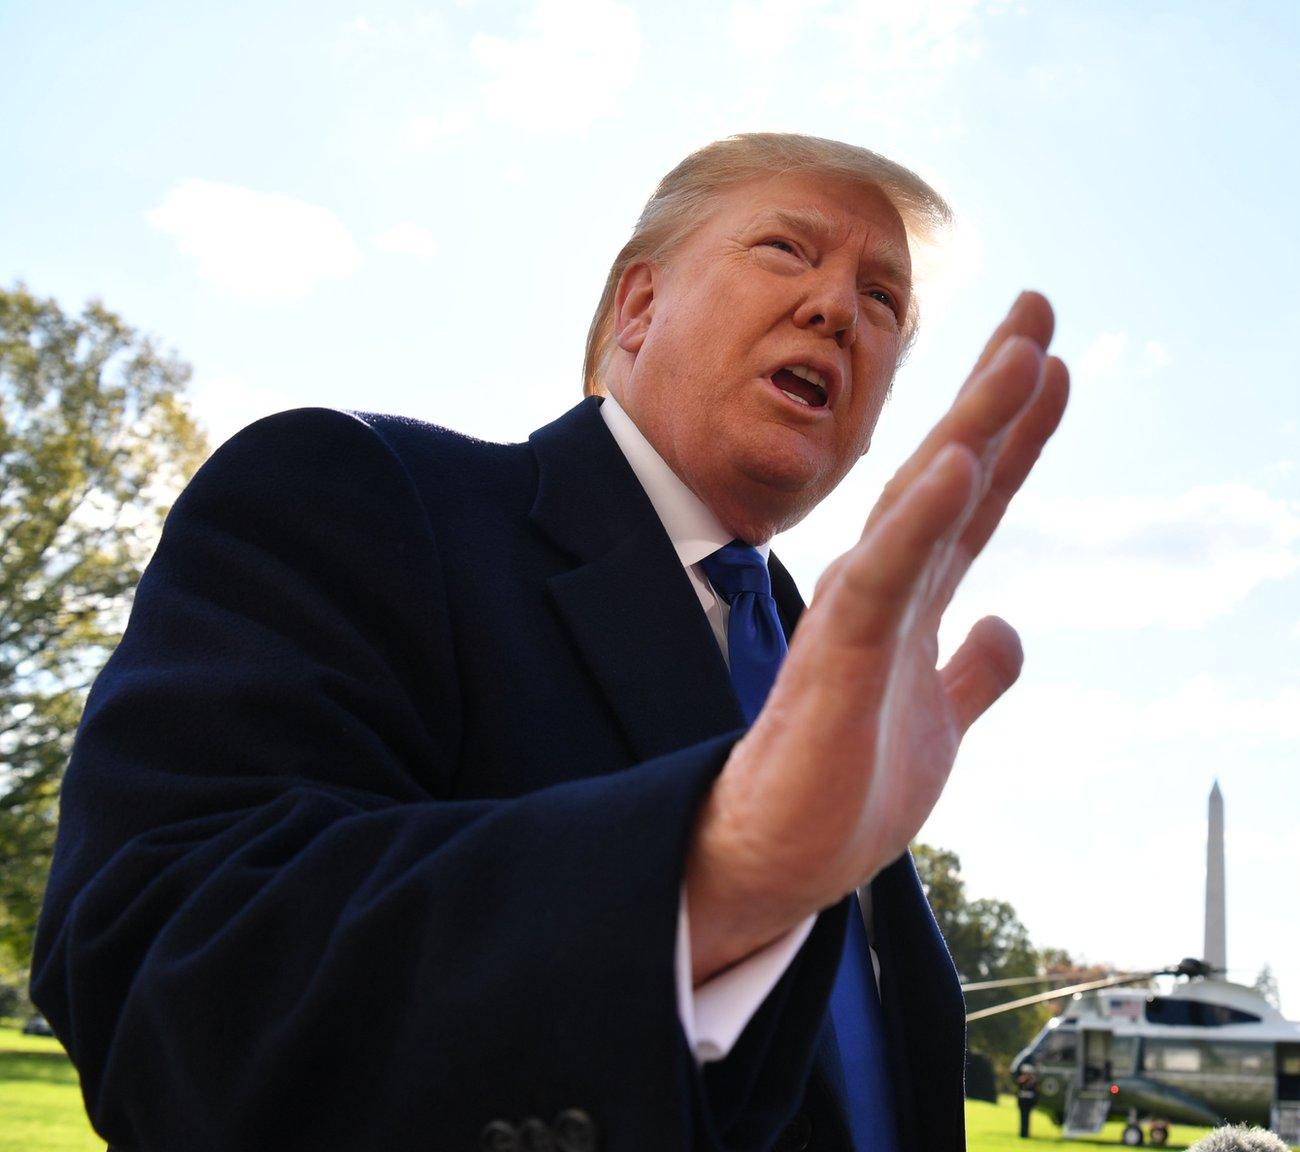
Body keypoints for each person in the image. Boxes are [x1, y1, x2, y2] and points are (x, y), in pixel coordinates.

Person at [30, 134, 1070, 1152]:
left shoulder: (836, 675)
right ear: (639, 305)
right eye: (786, 251)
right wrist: (713, 872)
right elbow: (174, 972)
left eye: (883, 300)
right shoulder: (357, 492)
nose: (836, 308)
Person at [1014, 1062, 1039, 1138]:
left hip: (1029, 1103)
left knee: (1027, 1118)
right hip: (1022, 1102)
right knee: (1023, 1118)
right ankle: (1023, 1133)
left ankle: (1026, 1134)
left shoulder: (1033, 1082)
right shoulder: (1021, 1080)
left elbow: (1035, 1092)